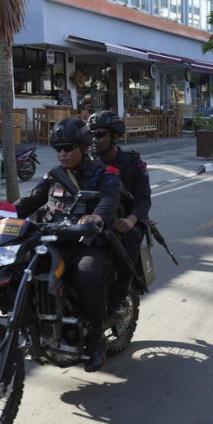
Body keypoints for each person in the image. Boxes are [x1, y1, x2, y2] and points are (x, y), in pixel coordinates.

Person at [13, 117, 121, 372]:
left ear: (83, 147)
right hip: (53, 242)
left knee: (87, 273)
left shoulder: (105, 173)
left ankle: (96, 339)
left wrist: (97, 216)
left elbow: (109, 200)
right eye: (58, 148)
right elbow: (29, 202)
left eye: (68, 147)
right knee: (19, 267)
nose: (62, 153)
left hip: (88, 245)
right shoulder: (53, 176)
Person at [88, 110, 152, 320]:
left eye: (100, 135)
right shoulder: (88, 164)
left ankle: (119, 296)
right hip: (96, 220)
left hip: (127, 219)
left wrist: (131, 219)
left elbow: (143, 201)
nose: (95, 140)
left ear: (115, 136)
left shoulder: (133, 163)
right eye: (92, 135)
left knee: (130, 238)